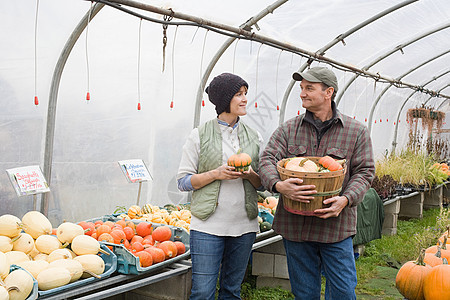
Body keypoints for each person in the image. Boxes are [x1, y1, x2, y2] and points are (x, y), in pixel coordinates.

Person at [259, 66, 375, 299]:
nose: (302, 93)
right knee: (304, 293)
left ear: (328, 92)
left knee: (343, 291)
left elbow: (364, 172)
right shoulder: (288, 129)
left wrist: (345, 199)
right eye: (301, 88)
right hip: (296, 226)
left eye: (309, 88)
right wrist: (278, 185)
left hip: (336, 226)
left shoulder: (355, 131)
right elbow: (267, 159)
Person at [177, 72, 263, 300]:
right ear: (225, 99)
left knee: (232, 291)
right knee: (203, 292)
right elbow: (183, 182)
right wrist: (216, 174)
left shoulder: (254, 136)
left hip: (244, 225)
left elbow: (262, 184)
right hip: (208, 226)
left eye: (245, 94)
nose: (245, 99)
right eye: (238, 94)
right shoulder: (199, 135)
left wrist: (250, 174)